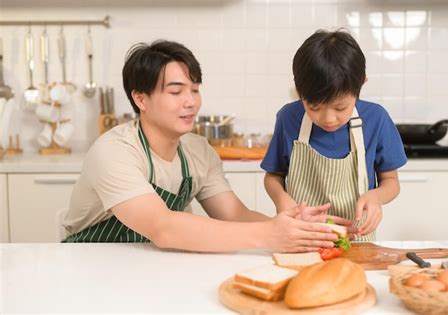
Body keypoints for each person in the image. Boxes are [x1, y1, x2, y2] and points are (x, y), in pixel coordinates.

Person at [62, 40, 353, 252]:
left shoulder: (198, 150)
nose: (191, 102)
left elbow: (236, 216)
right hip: (91, 264)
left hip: (154, 265)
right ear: (140, 99)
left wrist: (292, 228)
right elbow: (163, 228)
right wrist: (269, 234)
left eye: (195, 89)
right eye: (176, 91)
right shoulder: (114, 151)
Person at [261, 29, 407, 241]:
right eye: (314, 106)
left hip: (357, 240)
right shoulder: (289, 118)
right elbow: (273, 177)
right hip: (303, 237)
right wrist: (283, 201)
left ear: (360, 86)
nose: (328, 119)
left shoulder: (376, 119)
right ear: (299, 91)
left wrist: (376, 197)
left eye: (340, 107)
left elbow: (391, 181)